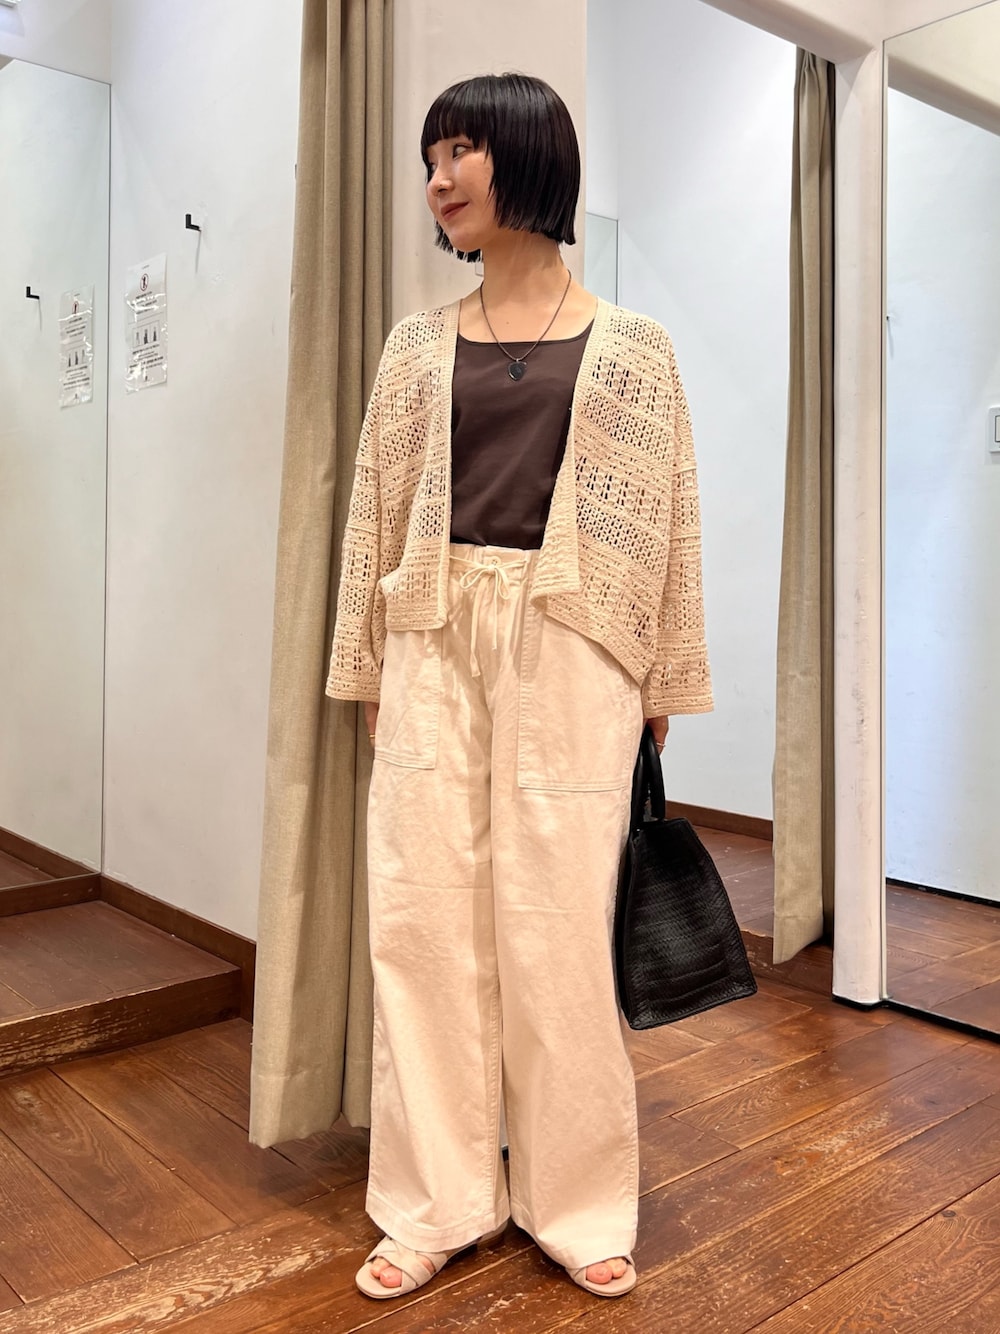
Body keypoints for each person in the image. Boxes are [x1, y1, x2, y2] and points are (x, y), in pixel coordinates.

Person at [325, 71, 713, 1302]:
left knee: (558, 929)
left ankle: (578, 1201)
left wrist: (659, 673)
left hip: (575, 647)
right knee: (421, 919)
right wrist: (368, 662)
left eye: (460, 151)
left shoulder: (635, 349)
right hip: (433, 632)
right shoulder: (413, 345)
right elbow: (374, 517)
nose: (437, 179)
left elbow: (669, 527)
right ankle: (432, 1201)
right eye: (430, 158)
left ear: (529, 158)